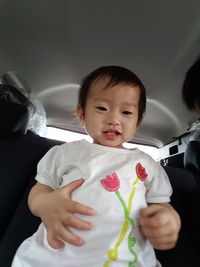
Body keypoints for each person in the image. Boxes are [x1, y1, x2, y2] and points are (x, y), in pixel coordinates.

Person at [12, 66, 181, 267]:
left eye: (126, 112)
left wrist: (169, 221)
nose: (114, 120)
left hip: (123, 260)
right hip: (57, 258)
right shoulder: (64, 153)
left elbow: (161, 205)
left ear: (137, 122)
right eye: (102, 108)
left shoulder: (147, 165)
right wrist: (44, 204)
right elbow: (40, 190)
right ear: (82, 114)